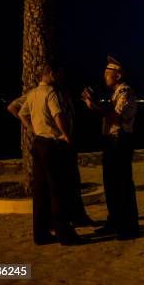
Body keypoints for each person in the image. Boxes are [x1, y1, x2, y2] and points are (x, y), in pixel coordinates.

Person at [8, 80, 95, 228]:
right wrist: (35, 128)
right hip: (57, 142)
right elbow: (13, 107)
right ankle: (63, 223)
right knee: (59, 185)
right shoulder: (41, 93)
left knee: (73, 181)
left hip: (66, 142)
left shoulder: (61, 93)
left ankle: (78, 217)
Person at [18, 62, 86, 245]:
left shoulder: (32, 94)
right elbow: (58, 115)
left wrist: (33, 130)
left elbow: (21, 114)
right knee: (58, 190)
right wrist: (66, 135)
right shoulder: (51, 92)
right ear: (51, 73)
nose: (60, 75)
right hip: (51, 145)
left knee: (40, 192)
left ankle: (40, 234)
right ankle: (65, 235)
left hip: (38, 144)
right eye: (58, 72)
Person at [82, 56, 139, 240]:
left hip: (120, 142)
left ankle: (129, 226)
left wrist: (94, 107)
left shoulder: (126, 92)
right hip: (111, 142)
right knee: (111, 184)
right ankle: (114, 221)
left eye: (108, 73)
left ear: (118, 75)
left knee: (122, 184)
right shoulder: (116, 93)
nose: (104, 76)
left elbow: (116, 117)